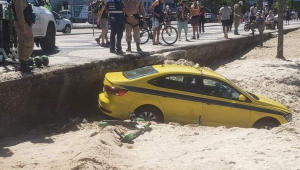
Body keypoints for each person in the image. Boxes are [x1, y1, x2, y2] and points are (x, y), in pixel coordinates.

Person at [12, 0, 34, 72]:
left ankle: (23, 64)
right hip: (23, 24)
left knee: (22, 44)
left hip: (21, 23)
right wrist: (24, 26)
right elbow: (19, 14)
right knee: (29, 43)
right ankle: (24, 63)